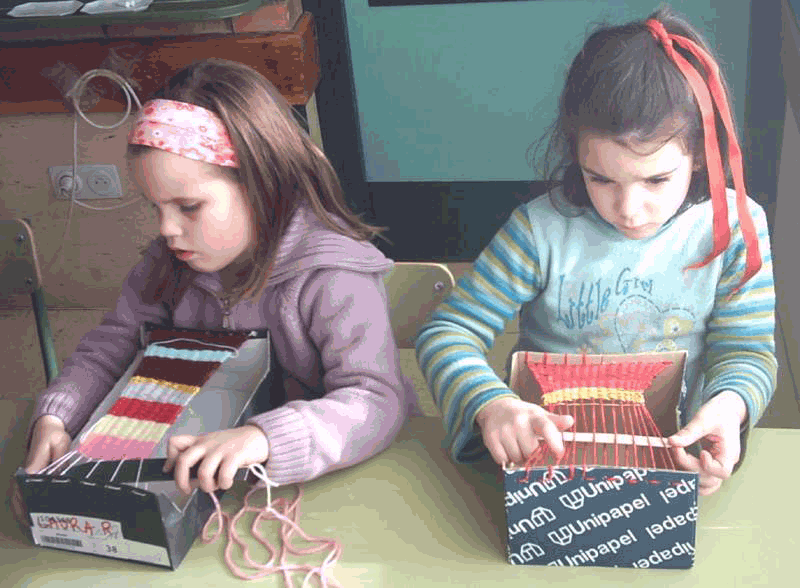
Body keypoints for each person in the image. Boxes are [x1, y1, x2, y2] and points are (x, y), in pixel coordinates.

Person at [416, 7, 776, 497]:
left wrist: (730, 409)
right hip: (551, 462)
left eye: (656, 179)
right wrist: (491, 404)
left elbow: (746, 352)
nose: (628, 209)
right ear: (575, 153)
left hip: (675, 458)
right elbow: (447, 332)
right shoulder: (540, 231)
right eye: (600, 178)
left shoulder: (734, 228)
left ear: (699, 152)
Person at [19, 58, 414, 499]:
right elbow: (110, 347)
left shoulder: (334, 277)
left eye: (188, 207)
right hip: (199, 485)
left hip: (319, 488)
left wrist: (263, 438)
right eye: (156, 207)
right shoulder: (165, 264)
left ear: (265, 184)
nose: (166, 229)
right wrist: (59, 414)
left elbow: (376, 401)